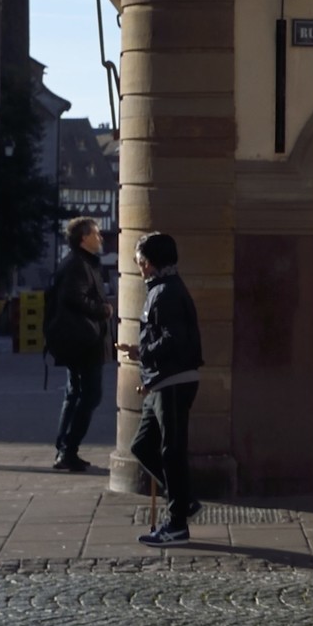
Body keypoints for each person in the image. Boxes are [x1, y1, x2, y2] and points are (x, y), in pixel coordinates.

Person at [118, 231, 202, 547]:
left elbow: (173, 339)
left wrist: (143, 352)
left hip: (173, 381)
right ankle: (184, 500)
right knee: (143, 446)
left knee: (172, 451)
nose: (139, 268)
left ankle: (177, 522)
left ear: (152, 262)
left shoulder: (166, 292)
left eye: (141, 261)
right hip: (162, 381)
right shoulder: (162, 289)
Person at [46, 216, 111, 473]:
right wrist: (103, 310)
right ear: (84, 238)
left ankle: (65, 450)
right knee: (90, 394)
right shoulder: (77, 265)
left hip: (79, 339)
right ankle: (68, 449)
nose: (100, 237)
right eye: (96, 233)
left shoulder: (79, 262)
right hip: (84, 340)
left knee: (74, 393)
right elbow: (74, 297)